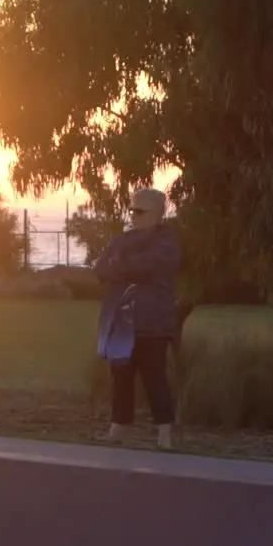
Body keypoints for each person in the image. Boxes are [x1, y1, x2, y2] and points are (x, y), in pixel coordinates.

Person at [94, 188, 181, 448]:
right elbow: (101, 268)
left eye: (139, 211)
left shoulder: (167, 244)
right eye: (131, 209)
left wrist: (119, 264)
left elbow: (147, 266)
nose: (133, 215)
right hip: (120, 324)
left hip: (151, 323)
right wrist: (123, 265)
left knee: (155, 378)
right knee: (120, 378)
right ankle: (118, 429)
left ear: (156, 214)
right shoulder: (121, 240)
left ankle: (165, 433)